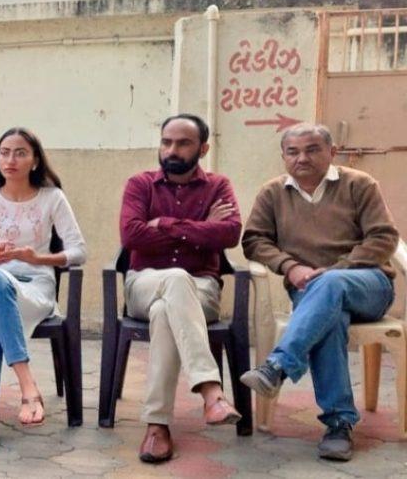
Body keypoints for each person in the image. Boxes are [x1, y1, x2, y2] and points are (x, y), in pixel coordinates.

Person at [241, 123, 398, 462]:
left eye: (312, 150)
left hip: (367, 284)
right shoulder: (272, 193)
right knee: (330, 319)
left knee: (330, 286)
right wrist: (289, 266)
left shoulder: (359, 184)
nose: (302, 158)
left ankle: (278, 367)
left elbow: (383, 238)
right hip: (308, 289)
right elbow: (253, 241)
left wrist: (337, 270)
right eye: (293, 151)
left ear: (332, 152)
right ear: (283, 156)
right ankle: (339, 424)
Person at [0, 127, 87, 456]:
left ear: (35, 160)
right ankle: (27, 384)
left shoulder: (52, 197)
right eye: (4, 152)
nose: (11, 159)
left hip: (35, 287)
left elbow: (79, 251)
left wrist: (38, 258)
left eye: (20, 152)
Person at [119, 114, 243, 463]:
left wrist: (166, 225)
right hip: (143, 283)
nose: (172, 149)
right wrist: (201, 228)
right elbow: (132, 235)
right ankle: (211, 391)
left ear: (203, 148)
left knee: (166, 309)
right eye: (166, 142)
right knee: (173, 279)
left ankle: (157, 426)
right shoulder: (140, 184)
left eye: (183, 143)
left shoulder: (218, 186)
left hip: (202, 289)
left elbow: (230, 234)